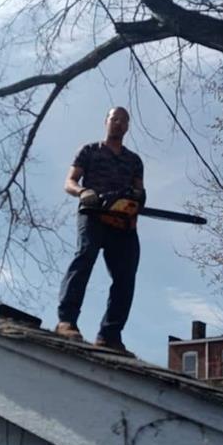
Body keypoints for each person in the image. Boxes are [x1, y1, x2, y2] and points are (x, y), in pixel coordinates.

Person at [54, 107, 145, 355]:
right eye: (115, 119)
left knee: (126, 276)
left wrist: (136, 201)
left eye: (124, 120)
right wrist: (84, 192)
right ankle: (66, 321)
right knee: (84, 258)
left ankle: (110, 335)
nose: (119, 123)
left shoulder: (134, 161)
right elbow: (70, 182)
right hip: (93, 214)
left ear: (127, 127)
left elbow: (139, 191)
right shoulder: (89, 151)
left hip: (122, 222)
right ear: (106, 121)